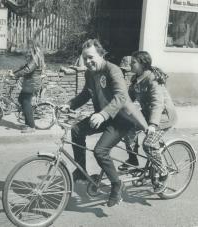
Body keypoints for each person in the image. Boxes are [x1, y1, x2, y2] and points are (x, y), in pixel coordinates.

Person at [61, 39, 148, 207]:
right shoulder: (89, 73)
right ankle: (81, 172)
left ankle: (116, 185)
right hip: (103, 116)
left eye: (91, 57)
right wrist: (70, 104)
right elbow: (86, 94)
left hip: (121, 119)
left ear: (101, 55)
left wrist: (103, 114)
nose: (88, 62)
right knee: (77, 130)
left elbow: (121, 96)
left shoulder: (112, 70)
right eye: (85, 58)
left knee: (100, 151)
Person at [117, 51, 177, 193]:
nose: (130, 65)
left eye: (133, 63)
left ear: (142, 64)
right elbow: (129, 100)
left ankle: (163, 173)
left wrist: (153, 124)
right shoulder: (136, 78)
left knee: (149, 144)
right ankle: (133, 160)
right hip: (146, 115)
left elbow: (158, 102)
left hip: (162, 118)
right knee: (127, 130)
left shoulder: (152, 79)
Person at [8, 41, 45, 133]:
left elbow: (28, 69)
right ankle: (27, 123)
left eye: (31, 48)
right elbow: (25, 66)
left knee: (25, 101)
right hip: (30, 82)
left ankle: (31, 126)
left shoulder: (36, 56)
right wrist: (14, 72)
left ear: (35, 47)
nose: (29, 50)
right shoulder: (36, 56)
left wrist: (15, 75)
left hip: (32, 83)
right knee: (21, 99)